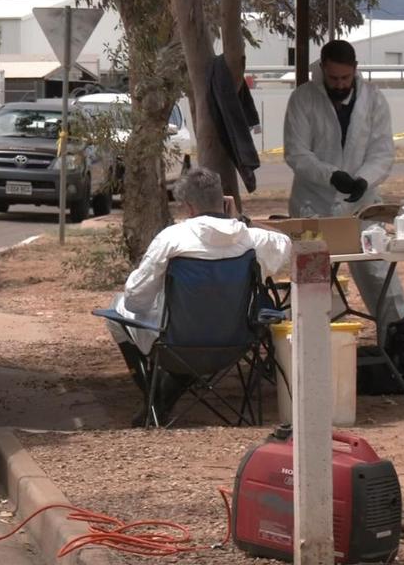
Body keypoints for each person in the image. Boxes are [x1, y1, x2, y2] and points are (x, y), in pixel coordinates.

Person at [108, 167, 291, 425]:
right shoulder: (251, 238)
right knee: (195, 323)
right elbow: (286, 241)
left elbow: (135, 300)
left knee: (116, 313)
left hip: (178, 342)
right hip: (235, 343)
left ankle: (156, 403)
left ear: (188, 207)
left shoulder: (172, 239)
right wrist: (243, 220)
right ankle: (160, 401)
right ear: (223, 200)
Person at [282, 39, 404, 327]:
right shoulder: (303, 99)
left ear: (356, 70)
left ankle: (398, 344)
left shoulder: (374, 100)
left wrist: (364, 180)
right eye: (333, 78)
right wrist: (330, 175)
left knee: (380, 276)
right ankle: (309, 353)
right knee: (312, 284)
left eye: (345, 78)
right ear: (322, 70)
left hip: (361, 208)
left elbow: (382, 152)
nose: (340, 84)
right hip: (314, 205)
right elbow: (296, 152)